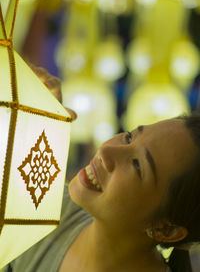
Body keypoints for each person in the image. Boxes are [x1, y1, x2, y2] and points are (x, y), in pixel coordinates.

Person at [1, 67, 200, 272]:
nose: (106, 151)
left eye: (137, 165)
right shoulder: (41, 211)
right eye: (129, 137)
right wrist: (29, 120)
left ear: (166, 230)